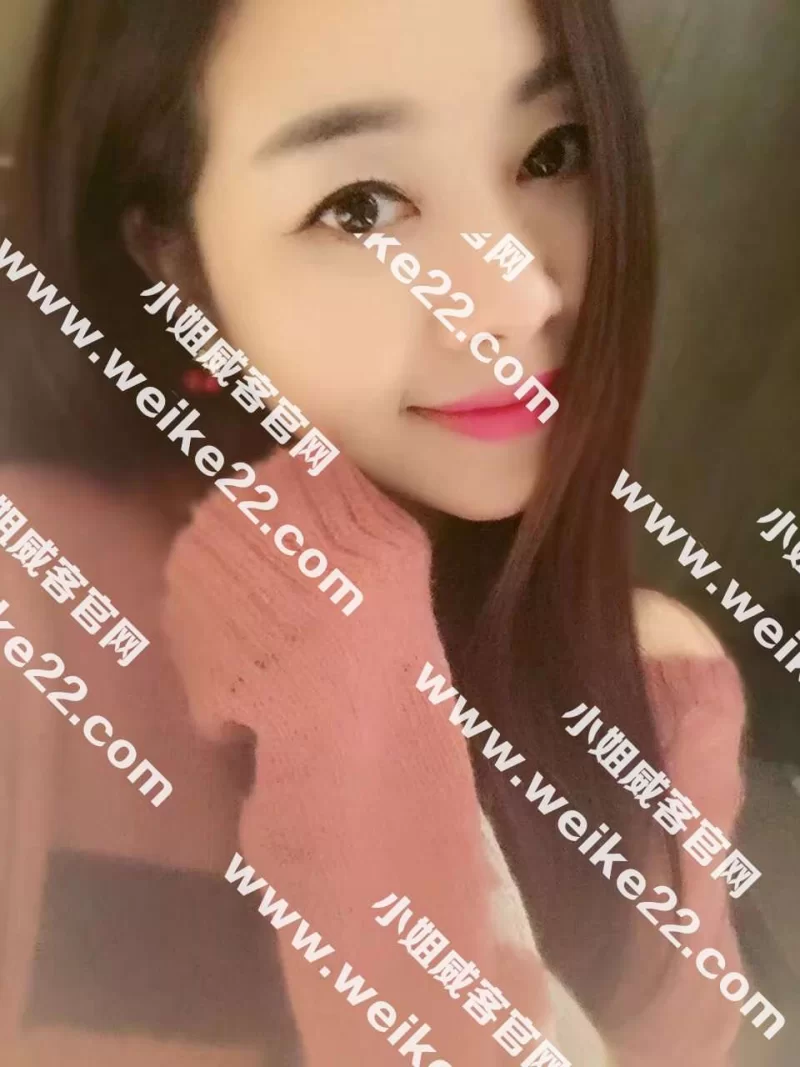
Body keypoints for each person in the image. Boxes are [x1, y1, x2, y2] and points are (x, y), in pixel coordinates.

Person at [0, 0, 747, 1064]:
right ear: (175, 263)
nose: (518, 294)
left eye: (552, 152)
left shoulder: (654, 680)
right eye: (360, 207)